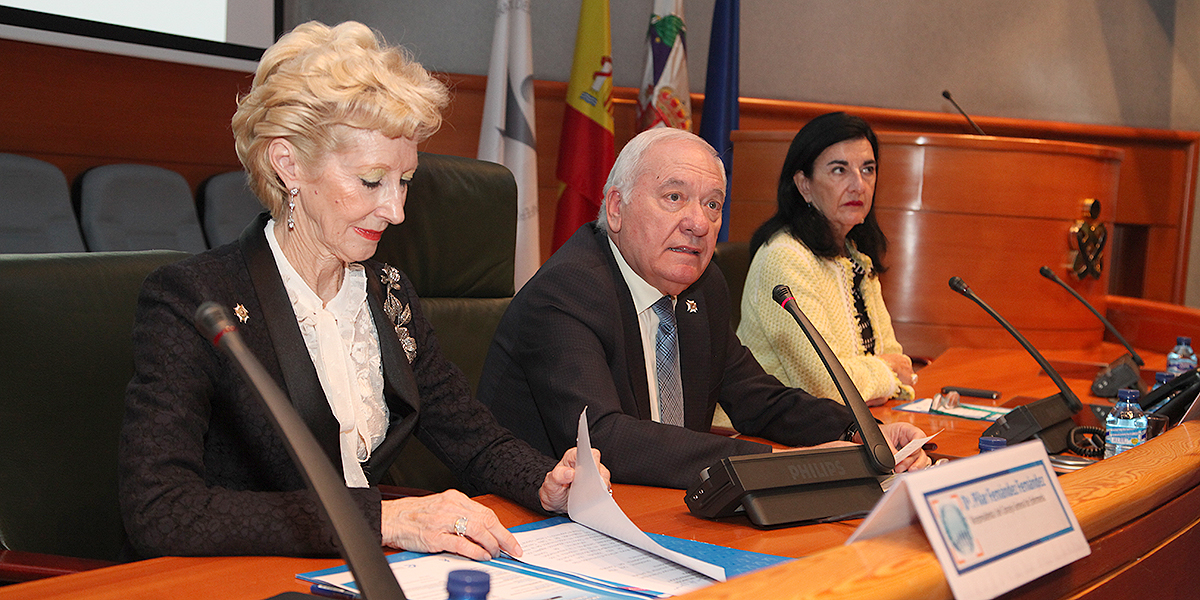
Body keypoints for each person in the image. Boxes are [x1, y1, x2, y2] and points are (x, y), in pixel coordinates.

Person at [118, 21, 607, 561]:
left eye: (405, 182)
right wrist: (383, 517)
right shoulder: (193, 300)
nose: (395, 210)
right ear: (289, 165)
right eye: (372, 181)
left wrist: (545, 481)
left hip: (369, 570)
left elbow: (469, 434)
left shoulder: (388, 293)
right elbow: (161, 510)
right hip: (250, 579)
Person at [477, 127, 930, 490]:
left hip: (659, 506)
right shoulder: (568, 291)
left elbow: (759, 399)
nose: (698, 223)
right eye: (674, 198)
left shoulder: (703, 284)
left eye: (712, 204)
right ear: (616, 208)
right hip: (535, 524)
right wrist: (778, 465)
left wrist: (861, 432)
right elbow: (605, 439)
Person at [737, 112, 915, 407]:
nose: (859, 185)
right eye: (839, 170)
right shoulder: (785, 258)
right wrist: (884, 373)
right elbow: (826, 386)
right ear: (804, 184)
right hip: (769, 437)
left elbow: (898, 362)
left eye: (868, 169)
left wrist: (881, 374)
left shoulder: (856, 258)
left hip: (839, 427)